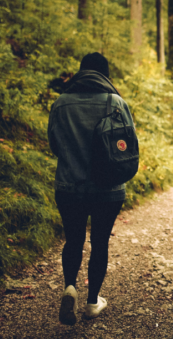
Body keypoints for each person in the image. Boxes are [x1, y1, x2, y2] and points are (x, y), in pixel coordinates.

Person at [48, 52, 135, 325]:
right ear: (105, 75)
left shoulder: (61, 103)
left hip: (68, 186)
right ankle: (92, 302)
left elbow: (54, 145)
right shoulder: (116, 102)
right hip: (108, 190)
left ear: (81, 72)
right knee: (100, 242)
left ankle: (70, 287)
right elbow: (129, 147)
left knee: (73, 239)